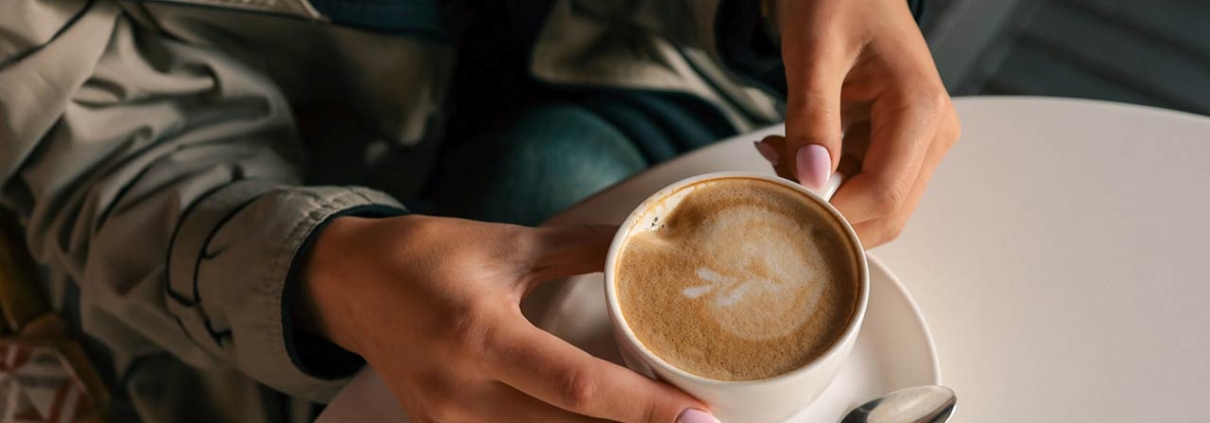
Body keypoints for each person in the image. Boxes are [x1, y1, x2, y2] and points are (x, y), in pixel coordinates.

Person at [0, 0, 959, 422]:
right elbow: (91, 150)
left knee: (552, 168)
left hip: (630, 62)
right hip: (257, 204)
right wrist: (322, 267)